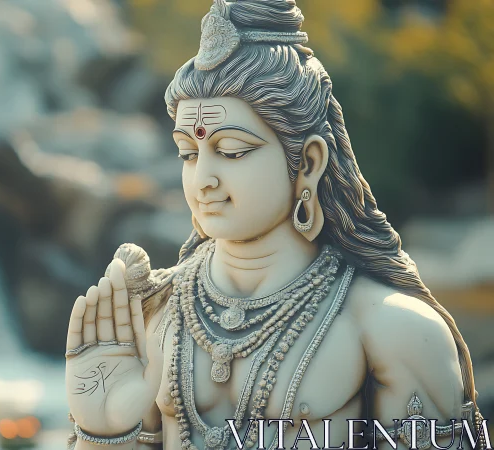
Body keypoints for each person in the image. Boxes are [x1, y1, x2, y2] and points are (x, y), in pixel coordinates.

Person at [63, 1, 488, 449]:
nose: (202, 180)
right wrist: (103, 430)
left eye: (230, 151)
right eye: (189, 153)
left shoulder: (393, 330)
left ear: (307, 162)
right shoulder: (154, 317)